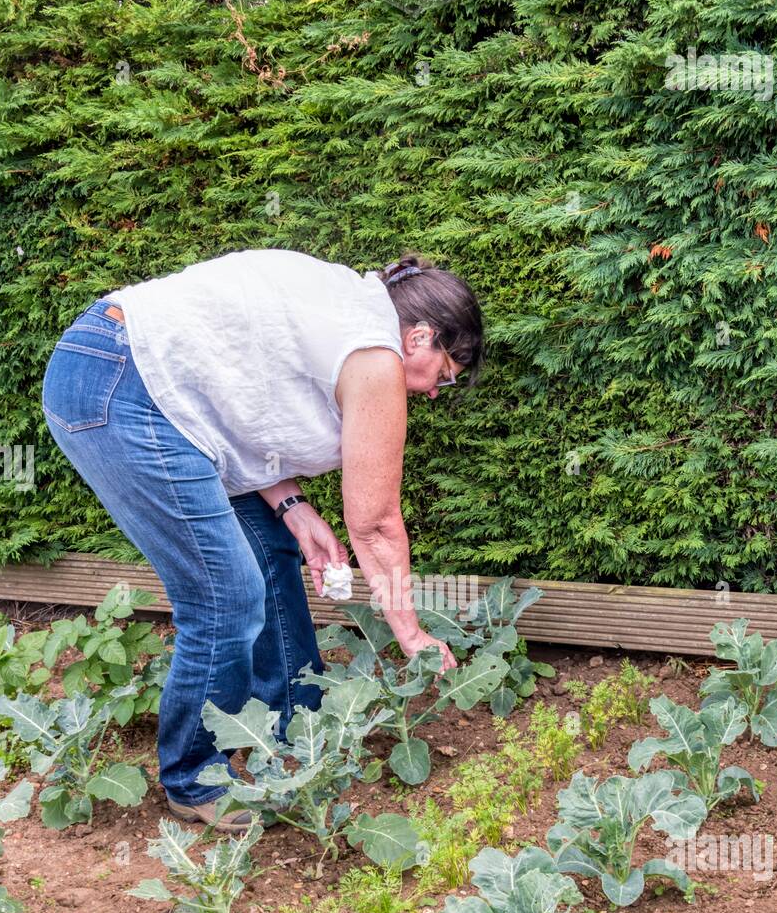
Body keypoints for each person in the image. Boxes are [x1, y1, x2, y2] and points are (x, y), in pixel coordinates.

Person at [41, 249, 485, 829]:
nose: (432, 392)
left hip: (118, 368)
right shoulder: (376, 353)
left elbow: (238, 405)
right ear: (421, 336)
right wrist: (410, 631)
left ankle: (296, 726)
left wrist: (294, 508)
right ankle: (194, 778)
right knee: (225, 598)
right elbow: (375, 523)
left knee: (270, 548)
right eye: (443, 374)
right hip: (125, 388)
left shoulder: (345, 305)